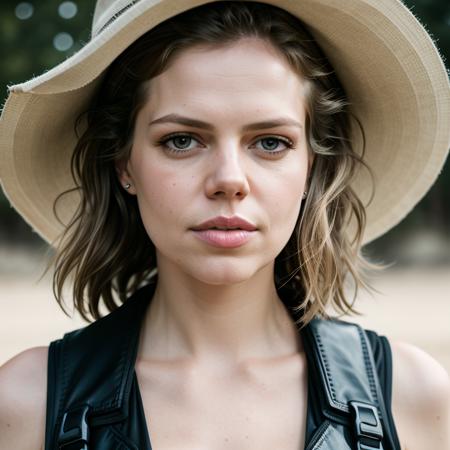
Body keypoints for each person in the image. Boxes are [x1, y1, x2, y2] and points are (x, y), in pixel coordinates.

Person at [0, 0, 449, 449]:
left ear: (312, 164)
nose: (229, 180)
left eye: (271, 142)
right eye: (181, 140)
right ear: (124, 163)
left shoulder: (413, 399)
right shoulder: (26, 405)